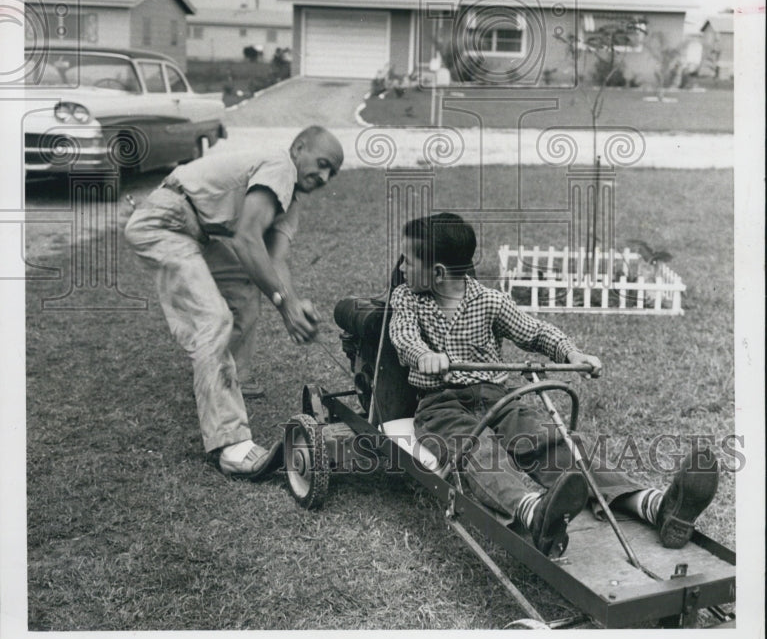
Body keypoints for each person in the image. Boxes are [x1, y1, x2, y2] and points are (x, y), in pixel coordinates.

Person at [389, 212, 719, 556]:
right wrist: (424, 354)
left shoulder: (490, 301)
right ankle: (534, 512)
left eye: (408, 262)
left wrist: (571, 352)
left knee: (549, 441)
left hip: (498, 399)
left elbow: (534, 332)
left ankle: (652, 504)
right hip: (441, 404)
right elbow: (403, 335)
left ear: (438, 273)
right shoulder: (407, 299)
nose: (401, 269)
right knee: (478, 449)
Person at [124, 126, 344, 477]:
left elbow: (275, 260)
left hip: (193, 228)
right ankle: (230, 444)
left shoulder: (289, 202)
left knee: (242, 288)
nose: (324, 177)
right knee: (213, 320)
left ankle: (228, 383)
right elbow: (245, 240)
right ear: (298, 148)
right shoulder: (280, 166)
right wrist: (282, 303)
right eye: (321, 164)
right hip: (165, 221)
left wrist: (293, 303)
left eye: (332, 172)